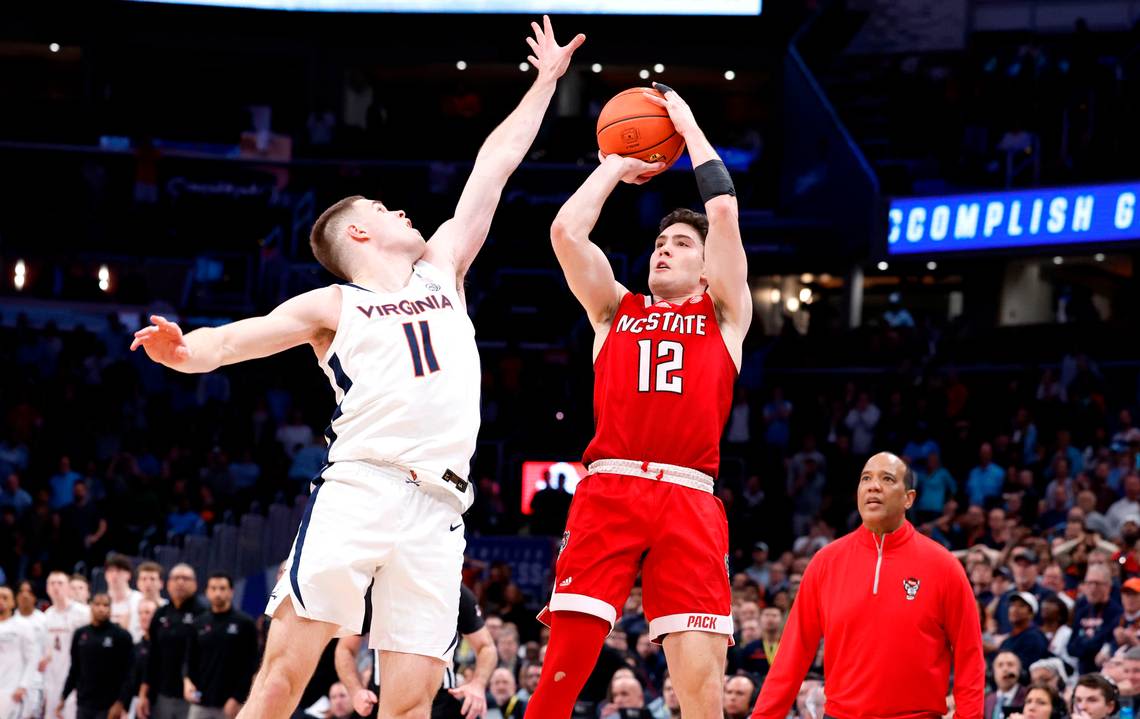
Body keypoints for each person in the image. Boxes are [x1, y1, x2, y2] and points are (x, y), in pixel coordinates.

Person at [130, 17, 583, 719]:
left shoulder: (442, 267)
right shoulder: (335, 301)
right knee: (280, 678)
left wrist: (545, 84)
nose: (403, 208)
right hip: (362, 486)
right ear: (360, 232)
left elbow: (493, 165)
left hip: (440, 508)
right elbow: (235, 341)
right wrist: (184, 350)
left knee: (409, 703)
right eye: (383, 206)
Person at [531, 82, 752, 719]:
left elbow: (727, 215)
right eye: (660, 242)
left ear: (708, 268)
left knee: (700, 685)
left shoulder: (726, 316)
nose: (664, 248)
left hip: (689, 494)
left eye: (682, 244)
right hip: (611, 487)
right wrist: (613, 168)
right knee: (561, 671)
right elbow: (566, 233)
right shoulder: (613, 310)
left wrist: (686, 123)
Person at [750, 452, 985, 719]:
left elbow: (970, 656)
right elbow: (792, 654)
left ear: (909, 498)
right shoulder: (826, 563)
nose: (873, 486)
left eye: (887, 478)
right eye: (866, 478)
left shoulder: (944, 566)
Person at [183, 574, 258, 719]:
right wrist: (187, 681)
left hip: (230, 704)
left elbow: (251, 665)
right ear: (206, 592)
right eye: (213, 588)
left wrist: (237, 698)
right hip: (200, 702)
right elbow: (189, 658)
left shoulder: (245, 623)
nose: (218, 593)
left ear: (231, 591)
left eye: (222, 588)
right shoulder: (198, 623)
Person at [139, 563, 206, 719]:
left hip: (192, 694)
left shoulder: (204, 614)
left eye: (185, 578)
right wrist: (143, 694)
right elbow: (151, 656)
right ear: (168, 584)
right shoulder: (160, 614)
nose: (180, 582)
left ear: (195, 584)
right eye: (176, 578)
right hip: (162, 693)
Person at [59, 593, 134, 719]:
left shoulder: (122, 636)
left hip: (109, 705)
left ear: (111, 608)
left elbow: (129, 672)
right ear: (90, 606)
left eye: (106, 605)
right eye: (97, 604)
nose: (101, 608)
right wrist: (63, 697)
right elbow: (75, 668)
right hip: (84, 704)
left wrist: (121, 702)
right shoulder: (80, 634)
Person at [44, 571, 92, 719]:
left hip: (76, 679)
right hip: (51, 679)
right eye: (52, 583)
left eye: (60, 583)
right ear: (47, 588)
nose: (56, 587)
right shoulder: (46, 616)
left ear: (68, 588)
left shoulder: (84, 613)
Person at [1068, 564, 1122, 674]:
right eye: (1089, 583)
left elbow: (1106, 642)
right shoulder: (1082, 610)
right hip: (1082, 671)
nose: (1092, 588)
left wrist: (1083, 643)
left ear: (1108, 586)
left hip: (1103, 672)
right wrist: (1090, 644)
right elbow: (1071, 648)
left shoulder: (1116, 612)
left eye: (1097, 583)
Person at [0, 585, 38, 719]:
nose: (1, 601)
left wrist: (23, 685)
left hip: (13, 690)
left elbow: (32, 658)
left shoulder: (23, 625)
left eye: (5, 598)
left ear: (13, 602)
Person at [1001, 592, 1051, 669]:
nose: (1014, 609)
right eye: (1012, 605)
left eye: (1021, 606)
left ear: (1031, 613)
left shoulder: (1034, 637)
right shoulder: (1007, 640)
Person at [105, 554, 144, 642]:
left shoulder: (140, 599)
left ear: (129, 575)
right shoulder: (101, 602)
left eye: (119, 571)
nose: (114, 575)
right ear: (105, 575)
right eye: (110, 571)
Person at [986, 652, 1028, 719]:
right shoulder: (987, 700)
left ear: (1020, 670)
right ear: (993, 672)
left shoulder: (1028, 696)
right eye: (1000, 665)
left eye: (1010, 664)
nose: (1005, 669)